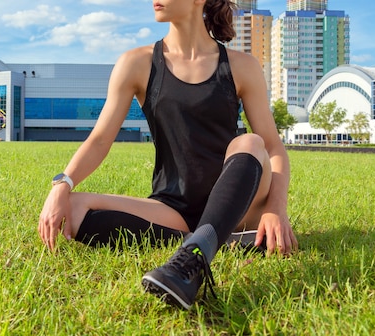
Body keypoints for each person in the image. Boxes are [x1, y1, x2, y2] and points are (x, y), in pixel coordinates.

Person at [38, 0, 298, 310]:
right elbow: (99, 140)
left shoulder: (241, 66)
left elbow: (272, 146)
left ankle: (192, 258)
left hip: (239, 208)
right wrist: (62, 185)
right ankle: (214, 241)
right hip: (173, 207)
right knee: (73, 207)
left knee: (250, 143)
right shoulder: (137, 62)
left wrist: (276, 209)